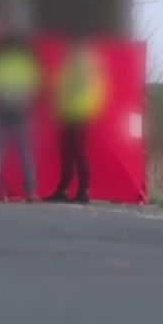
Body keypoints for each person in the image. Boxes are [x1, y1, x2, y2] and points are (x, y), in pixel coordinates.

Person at [0, 29, 42, 201]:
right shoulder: (27, 62)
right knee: (25, 153)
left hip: (1, 109)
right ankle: (31, 192)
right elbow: (34, 87)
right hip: (21, 111)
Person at [46, 41, 106, 204]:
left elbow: (88, 89)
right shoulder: (71, 63)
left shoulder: (83, 63)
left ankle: (83, 191)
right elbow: (63, 87)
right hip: (67, 112)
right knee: (67, 152)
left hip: (79, 112)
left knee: (78, 152)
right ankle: (64, 189)